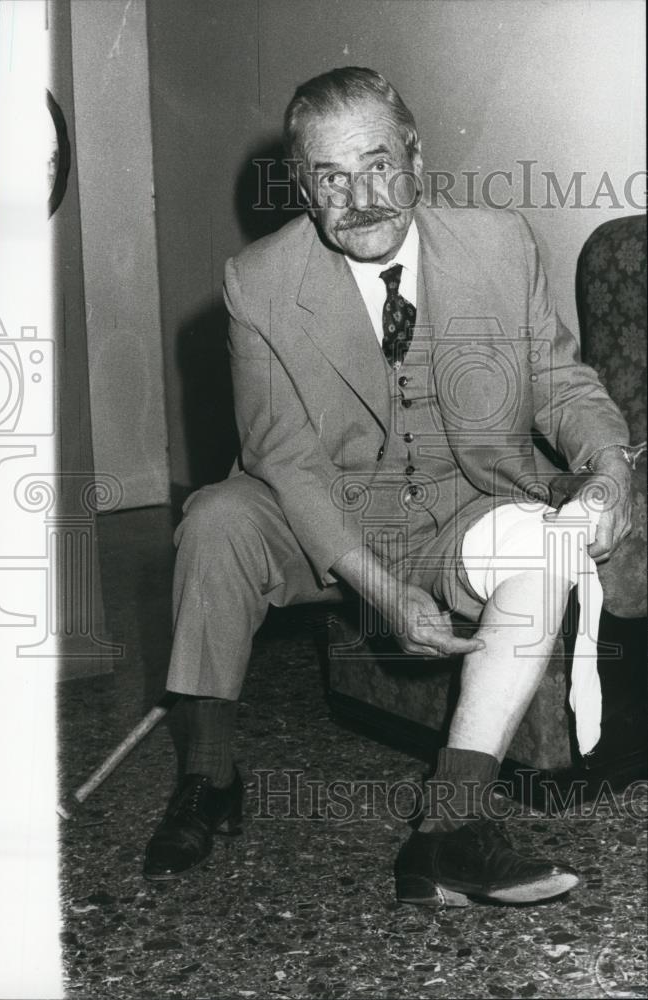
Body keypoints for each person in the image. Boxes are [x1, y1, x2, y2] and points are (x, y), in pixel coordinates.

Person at [143, 67, 632, 906]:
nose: (359, 196)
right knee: (215, 519)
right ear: (301, 185)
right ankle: (207, 775)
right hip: (321, 511)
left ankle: (448, 828)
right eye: (329, 177)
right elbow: (283, 458)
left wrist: (609, 466)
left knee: (547, 545)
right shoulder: (255, 282)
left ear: (415, 156)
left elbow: (558, 383)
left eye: (376, 164)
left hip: (462, 502)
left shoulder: (497, 245)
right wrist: (377, 587)